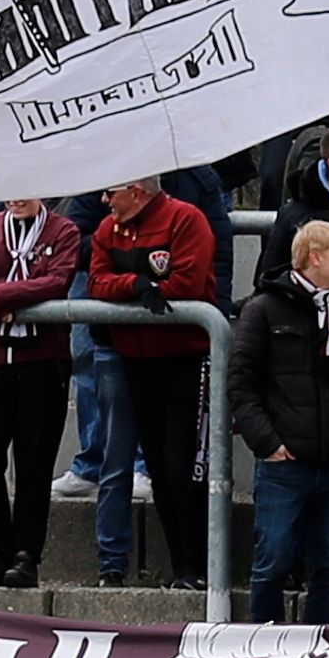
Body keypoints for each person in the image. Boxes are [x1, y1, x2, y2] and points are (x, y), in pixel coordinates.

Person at [230, 217, 329, 625]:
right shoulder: (263, 310)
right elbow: (241, 384)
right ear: (315, 257)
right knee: (273, 559)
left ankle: (318, 643)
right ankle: (265, 642)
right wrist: (268, 444)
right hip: (285, 464)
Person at [89, 173, 219, 585]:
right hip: (136, 360)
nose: (104, 199)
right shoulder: (108, 229)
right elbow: (96, 283)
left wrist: (142, 288)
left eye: (111, 191)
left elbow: (186, 284)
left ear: (137, 192)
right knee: (160, 469)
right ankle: (182, 566)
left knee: (186, 465)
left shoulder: (186, 219)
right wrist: (137, 285)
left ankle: (199, 566)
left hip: (187, 360)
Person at [0, 195, 83, 586]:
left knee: (34, 464)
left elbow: (57, 280)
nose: (18, 197)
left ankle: (26, 555)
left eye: (28, 188)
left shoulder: (63, 230)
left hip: (45, 361)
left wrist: (1, 296)